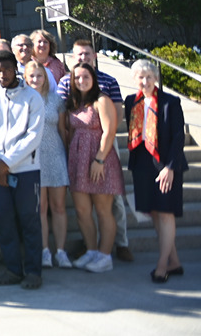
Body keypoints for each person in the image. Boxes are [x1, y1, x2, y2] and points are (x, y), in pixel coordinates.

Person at [0, 51, 44, 289]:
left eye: (6, 69)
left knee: (29, 221)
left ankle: (34, 272)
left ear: (15, 68)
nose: (1, 74)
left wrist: (7, 163)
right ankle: (13, 269)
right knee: (4, 222)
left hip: (25, 170)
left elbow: (33, 136)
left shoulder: (32, 98)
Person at [125, 60, 187, 282]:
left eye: (149, 76)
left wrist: (170, 167)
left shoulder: (170, 102)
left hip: (167, 164)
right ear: (134, 80)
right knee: (154, 212)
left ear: (156, 78)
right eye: (141, 77)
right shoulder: (131, 102)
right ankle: (175, 261)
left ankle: (162, 267)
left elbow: (179, 137)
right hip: (142, 165)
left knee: (166, 212)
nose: (145, 81)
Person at [64, 61, 123, 273]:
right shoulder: (75, 103)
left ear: (93, 78)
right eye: (77, 77)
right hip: (78, 161)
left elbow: (109, 131)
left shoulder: (102, 100)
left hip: (100, 159)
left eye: (86, 77)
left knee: (103, 210)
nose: (81, 81)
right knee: (82, 210)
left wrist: (99, 160)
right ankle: (91, 250)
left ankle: (105, 255)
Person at [23, 61, 71, 270]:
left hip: (55, 155)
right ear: (25, 78)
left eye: (39, 76)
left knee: (59, 207)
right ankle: (44, 251)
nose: (35, 80)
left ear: (45, 78)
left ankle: (60, 251)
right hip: (33, 158)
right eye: (31, 76)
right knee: (40, 208)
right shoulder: (21, 100)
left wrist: (69, 156)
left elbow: (62, 129)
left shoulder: (56, 99)